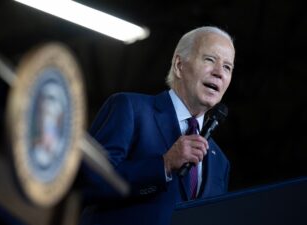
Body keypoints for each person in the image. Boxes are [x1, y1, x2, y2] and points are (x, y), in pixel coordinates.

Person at [79, 26, 235, 225]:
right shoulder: (130, 109)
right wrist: (164, 165)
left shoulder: (220, 162)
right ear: (179, 65)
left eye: (227, 67)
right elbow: (87, 185)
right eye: (210, 60)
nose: (219, 73)